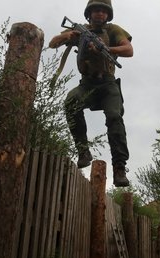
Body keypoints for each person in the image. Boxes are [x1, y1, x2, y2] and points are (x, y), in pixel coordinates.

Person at [49, 0, 133, 187]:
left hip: (108, 85)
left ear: (108, 14)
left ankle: (119, 168)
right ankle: (83, 151)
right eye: (96, 10)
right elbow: (52, 43)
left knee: (114, 116)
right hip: (87, 85)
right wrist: (70, 35)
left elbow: (129, 50)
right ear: (89, 13)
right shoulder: (80, 30)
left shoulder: (113, 30)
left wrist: (106, 49)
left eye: (103, 11)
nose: (100, 14)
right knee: (71, 101)